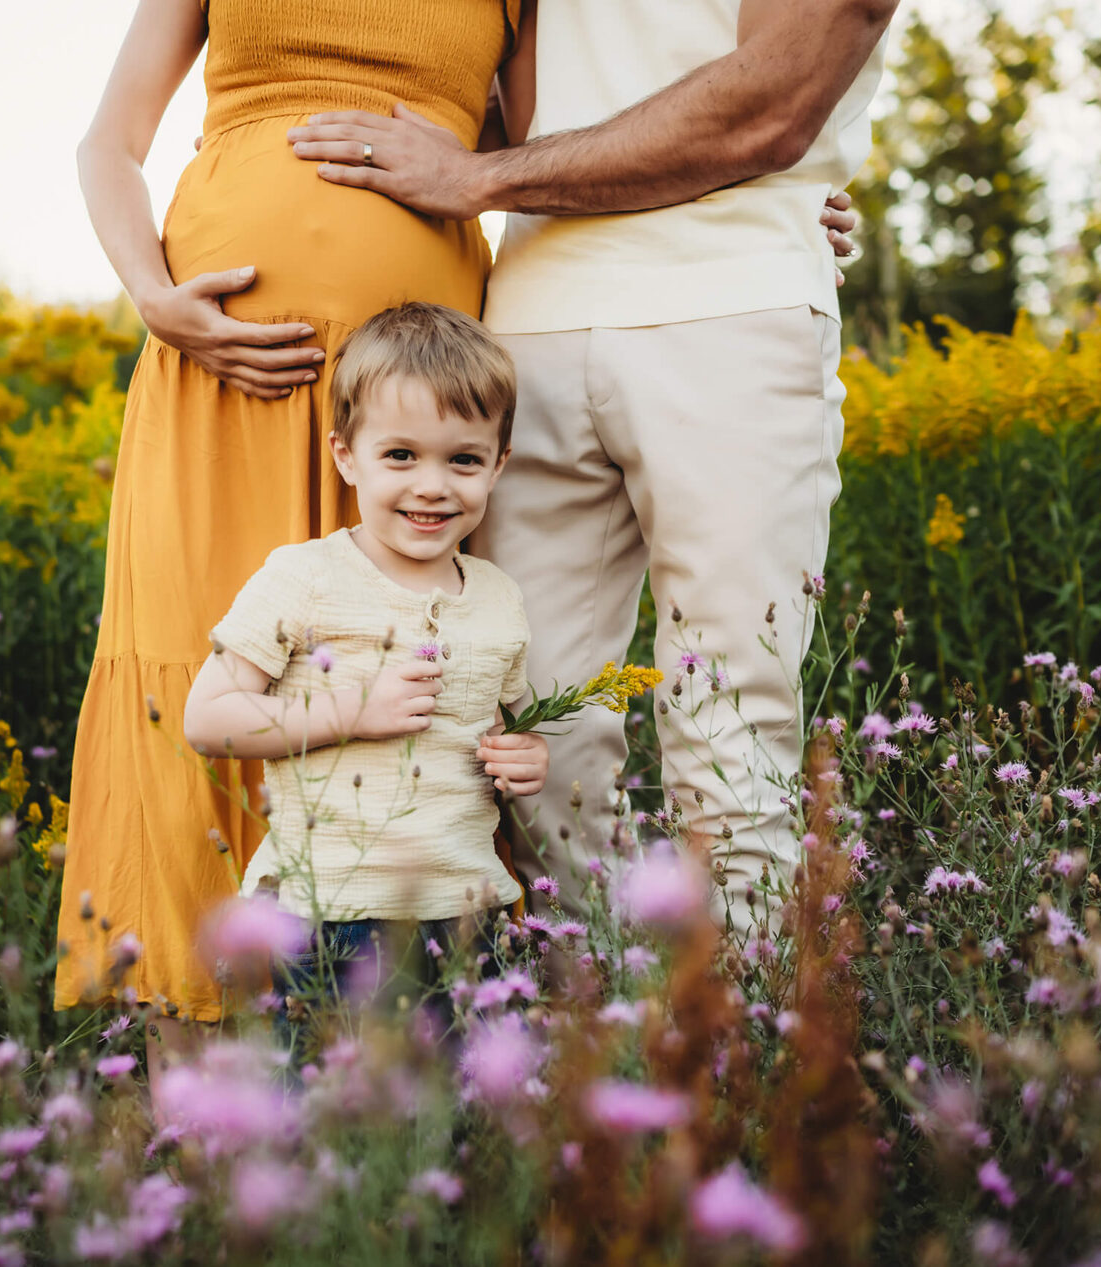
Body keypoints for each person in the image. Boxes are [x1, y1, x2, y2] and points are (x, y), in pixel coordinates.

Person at [285, 0, 900, 932]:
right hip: (530, 319)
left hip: (731, 307)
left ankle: (741, 1054)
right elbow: (496, 90)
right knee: (527, 735)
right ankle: (595, 1037)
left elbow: (772, 108)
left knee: (730, 725)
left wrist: (483, 178)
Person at [53, 1, 533, 1056]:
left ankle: (382, 1057)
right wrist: (153, 295)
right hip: (216, 371)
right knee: (199, 670)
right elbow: (109, 143)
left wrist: (791, 189)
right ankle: (196, 1085)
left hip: (415, 405)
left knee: (396, 678)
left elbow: (551, 148)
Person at [182, 302, 546, 1053]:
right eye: (401, 456)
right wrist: (350, 710)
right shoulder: (306, 577)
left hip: (467, 911)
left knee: (458, 1131)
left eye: (464, 460)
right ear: (347, 456)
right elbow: (207, 716)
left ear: (499, 465)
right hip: (330, 915)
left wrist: (525, 757)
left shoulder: (498, 596)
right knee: (333, 1126)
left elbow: (511, 724)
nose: (433, 486)